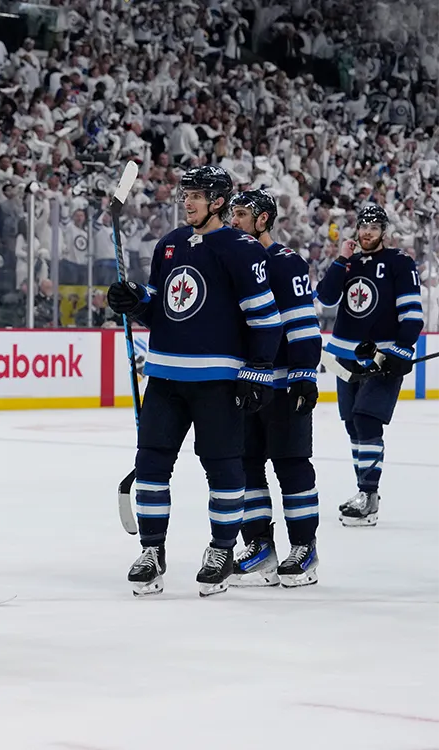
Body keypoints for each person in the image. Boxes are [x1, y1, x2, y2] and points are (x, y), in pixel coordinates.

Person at [107, 166, 282, 598]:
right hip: (164, 375)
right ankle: (152, 551)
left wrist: (257, 368)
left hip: (218, 380)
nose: (188, 201)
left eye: (197, 195)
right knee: (150, 466)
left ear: (219, 201)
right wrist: (135, 300)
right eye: (186, 193)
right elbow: (160, 306)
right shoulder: (170, 244)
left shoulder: (241, 249)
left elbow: (265, 317)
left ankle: (222, 548)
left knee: (222, 468)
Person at [228, 190, 322, 587]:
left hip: (283, 383)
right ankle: (260, 545)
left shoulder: (286, 262)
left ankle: (304, 547)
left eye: (242, 214)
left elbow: (303, 322)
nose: (234, 220)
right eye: (232, 213)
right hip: (244, 383)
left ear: (263, 219)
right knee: (246, 465)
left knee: (291, 463)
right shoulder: (229, 259)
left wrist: (304, 374)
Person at [315, 204, 423, 527]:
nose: (366, 233)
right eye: (363, 227)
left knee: (366, 419)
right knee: (352, 423)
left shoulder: (400, 263)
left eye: (374, 228)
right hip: (345, 357)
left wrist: (401, 351)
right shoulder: (347, 264)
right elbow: (326, 297)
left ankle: (368, 493)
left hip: (381, 357)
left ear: (384, 232)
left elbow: (413, 315)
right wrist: (341, 259)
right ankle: (365, 493)